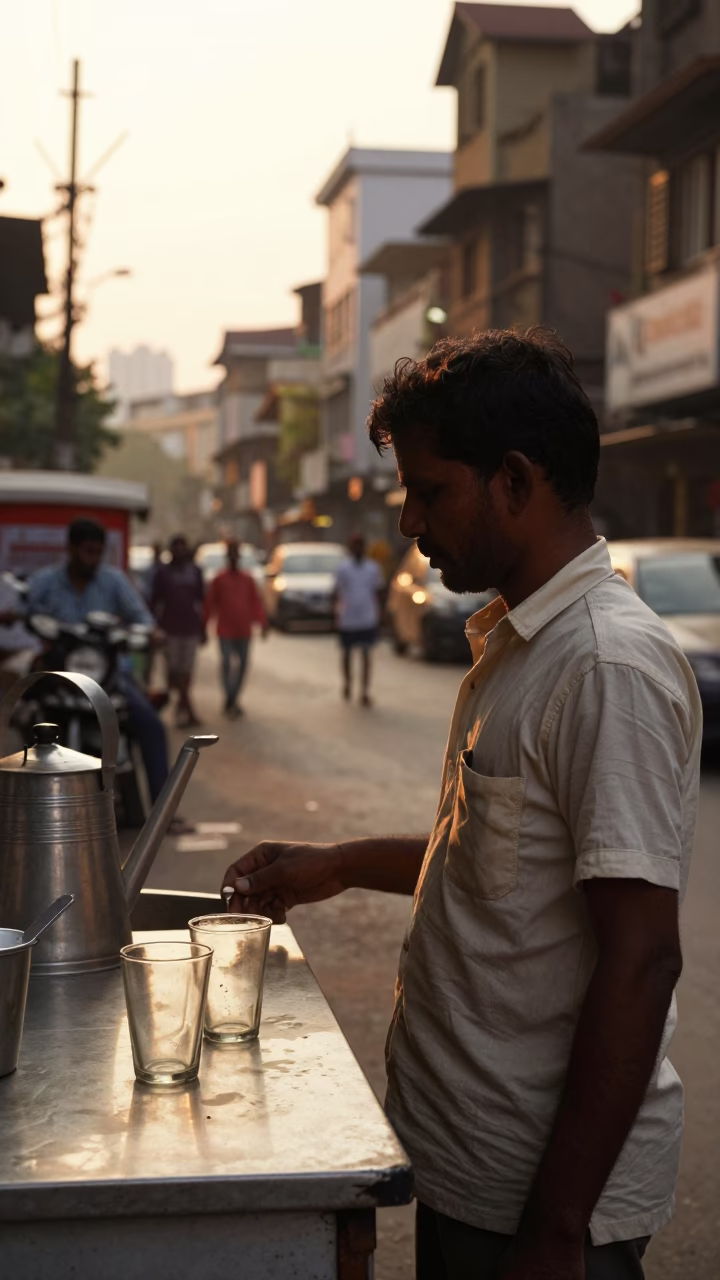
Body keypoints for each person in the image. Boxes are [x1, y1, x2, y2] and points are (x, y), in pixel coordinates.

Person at [223, 329, 701, 1280]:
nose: (408, 523)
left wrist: (559, 1230)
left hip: (540, 1196)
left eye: (431, 490)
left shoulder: (605, 666)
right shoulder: (520, 644)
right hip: (470, 1162)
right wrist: (342, 864)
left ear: (516, 482)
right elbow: (502, 864)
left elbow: (642, 959)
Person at [27, 519, 174, 811]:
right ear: (70, 549)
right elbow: (24, 614)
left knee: (151, 725)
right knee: (18, 714)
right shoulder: (44, 582)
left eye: (98, 552)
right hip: (59, 676)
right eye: (87, 551)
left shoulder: (113, 580)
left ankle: (163, 813)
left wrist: (151, 633)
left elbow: (142, 619)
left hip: (108, 678)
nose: (93, 559)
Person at [203, 540, 268, 719]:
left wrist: (262, 623)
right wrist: (204, 625)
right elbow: (210, 604)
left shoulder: (247, 580)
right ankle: (229, 697)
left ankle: (233, 697)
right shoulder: (219, 579)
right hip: (225, 630)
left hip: (244, 630)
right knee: (226, 664)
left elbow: (256, 603)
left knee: (243, 665)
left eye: (235, 554)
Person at [151, 535, 205, 728]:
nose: (180, 551)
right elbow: (154, 601)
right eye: (177, 547)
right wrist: (154, 627)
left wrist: (203, 628)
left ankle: (184, 709)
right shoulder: (163, 573)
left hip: (190, 628)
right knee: (174, 671)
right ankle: (187, 709)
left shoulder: (195, 572)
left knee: (186, 671)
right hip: (170, 628)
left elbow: (201, 601)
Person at [333, 532, 384, 706]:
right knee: (347, 654)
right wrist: (335, 613)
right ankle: (347, 683)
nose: (358, 549)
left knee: (366, 655)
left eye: (360, 545)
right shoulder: (343, 569)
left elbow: (378, 592)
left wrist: (381, 615)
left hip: (367, 618)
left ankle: (364, 691)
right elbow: (336, 591)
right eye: (355, 545)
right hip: (348, 618)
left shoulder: (373, 568)